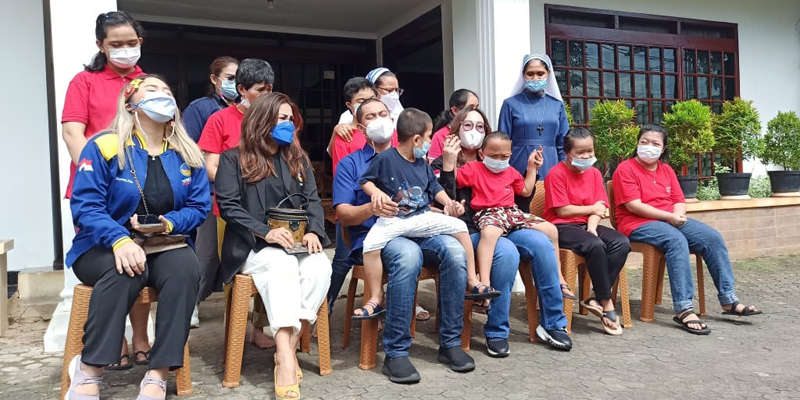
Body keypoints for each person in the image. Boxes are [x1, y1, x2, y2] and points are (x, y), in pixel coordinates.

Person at [64, 75, 210, 400]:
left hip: (163, 242)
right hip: (102, 245)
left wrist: (169, 223)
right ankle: (89, 368)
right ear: (130, 104)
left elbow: (199, 207)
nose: (162, 95)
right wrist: (119, 239)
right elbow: (86, 206)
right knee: (127, 269)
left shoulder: (188, 153)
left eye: (167, 91)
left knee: (186, 269)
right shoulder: (105, 146)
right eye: (152, 90)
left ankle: (158, 373)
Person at [334, 98, 475, 383]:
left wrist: (448, 206)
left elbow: (428, 193)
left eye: (383, 114)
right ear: (360, 127)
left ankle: (450, 343)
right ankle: (396, 352)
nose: (379, 120)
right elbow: (343, 214)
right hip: (381, 234)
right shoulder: (352, 164)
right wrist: (372, 207)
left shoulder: (418, 161)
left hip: (419, 227)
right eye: (370, 117)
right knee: (408, 255)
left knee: (453, 249)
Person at [215, 92, 331, 400]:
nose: (288, 124)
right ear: (261, 120)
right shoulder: (232, 158)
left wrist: (314, 232)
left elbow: (312, 201)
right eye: (281, 118)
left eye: (290, 119)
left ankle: (285, 351)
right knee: (282, 265)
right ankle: (286, 361)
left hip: (295, 243)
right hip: (252, 247)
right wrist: (265, 232)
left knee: (320, 266)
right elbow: (228, 206)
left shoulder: (297, 159)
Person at [433, 107, 573, 354]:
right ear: (455, 129)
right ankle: (497, 329)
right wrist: (448, 162)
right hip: (469, 230)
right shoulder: (447, 162)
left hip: (509, 220)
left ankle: (553, 323)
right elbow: (443, 196)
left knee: (542, 242)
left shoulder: (504, 166)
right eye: (467, 125)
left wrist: (531, 168)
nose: (473, 131)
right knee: (507, 253)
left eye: (479, 126)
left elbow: (522, 196)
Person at [61, 10, 149, 370]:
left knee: (142, 256)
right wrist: (99, 175)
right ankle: (117, 338)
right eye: (116, 44)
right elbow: (72, 132)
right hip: (96, 191)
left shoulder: (147, 83)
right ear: (101, 45)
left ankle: (142, 336)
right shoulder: (85, 82)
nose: (125, 49)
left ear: (140, 42)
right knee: (109, 260)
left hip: (140, 188)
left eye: (131, 42)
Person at [613, 124, 762, 335]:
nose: (649, 146)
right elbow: (633, 206)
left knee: (712, 238)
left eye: (655, 143)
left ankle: (728, 300)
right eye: (644, 142)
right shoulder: (625, 169)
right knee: (676, 240)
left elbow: (678, 199)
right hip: (637, 223)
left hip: (670, 220)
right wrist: (670, 217)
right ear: (637, 143)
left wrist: (678, 216)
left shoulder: (666, 170)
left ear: (663, 148)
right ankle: (684, 308)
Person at [354, 108, 477, 319]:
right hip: (393, 219)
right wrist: (377, 194)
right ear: (417, 140)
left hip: (421, 217)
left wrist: (449, 203)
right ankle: (376, 297)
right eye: (429, 137)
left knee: (460, 227)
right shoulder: (385, 159)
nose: (430, 142)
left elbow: (435, 188)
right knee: (371, 245)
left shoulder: (423, 164)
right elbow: (366, 181)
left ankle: (472, 280)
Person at [197, 58, 277, 348]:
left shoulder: (276, 120)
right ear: (241, 90)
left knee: (273, 268)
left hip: (270, 211)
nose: (265, 95)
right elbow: (210, 166)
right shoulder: (220, 120)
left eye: (269, 89)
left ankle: (259, 329)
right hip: (230, 211)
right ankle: (234, 332)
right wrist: (243, 185)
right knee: (234, 272)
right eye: (259, 90)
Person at [544, 127, 631, 335]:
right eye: (580, 152)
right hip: (562, 226)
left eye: (590, 151)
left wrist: (592, 226)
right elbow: (563, 210)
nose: (586, 156)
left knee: (621, 243)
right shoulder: (556, 174)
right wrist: (592, 210)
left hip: (587, 224)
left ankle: (594, 297)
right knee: (595, 245)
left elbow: (599, 207)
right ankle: (606, 303)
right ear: (568, 153)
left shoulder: (594, 173)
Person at [327, 79, 398, 316]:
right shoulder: (345, 136)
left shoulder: (393, 136)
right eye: (362, 102)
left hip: (393, 223)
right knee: (342, 259)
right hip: (355, 210)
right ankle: (325, 309)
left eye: (373, 99)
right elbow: (343, 178)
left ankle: (390, 307)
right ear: (351, 107)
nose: (377, 118)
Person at [452, 130, 544, 307]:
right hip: (488, 213)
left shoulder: (511, 171)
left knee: (550, 230)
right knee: (489, 234)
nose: (499, 160)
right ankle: (484, 284)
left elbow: (525, 190)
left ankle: (560, 279)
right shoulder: (474, 168)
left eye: (505, 156)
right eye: (494, 156)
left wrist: (532, 167)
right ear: (481, 154)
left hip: (511, 213)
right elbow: (455, 178)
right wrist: (449, 159)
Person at [181, 56, 239, 328]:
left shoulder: (245, 110)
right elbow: (188, 149)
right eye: (229, 78)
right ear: (215, 79)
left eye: (239, 78)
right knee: (207, 253)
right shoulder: (200, 108)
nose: (235, 83)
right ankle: (190, 303)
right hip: (211, 191)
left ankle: (238, 313)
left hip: (244, 194)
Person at [498, 54, 568, 185]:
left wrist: (565, 169)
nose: (535, 78)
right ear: (523, 75)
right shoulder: (510, 104)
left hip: (551, 162)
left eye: (540, 73)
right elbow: (502, 141)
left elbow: (564, 142)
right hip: (519, 162)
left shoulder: (557, 105)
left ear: (548, 74)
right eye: (530, 74)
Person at [327, 67, 405, 155]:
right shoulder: (347, 129)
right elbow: (334, 152)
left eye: (383, 114)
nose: (368, 104)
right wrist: (336, 131)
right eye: (389, 90)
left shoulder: (393, 131)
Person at [427, 89, 480, 162]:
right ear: (455, 110)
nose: (475, 112)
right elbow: (434, 167)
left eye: (477, 107)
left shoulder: (481, 132)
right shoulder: (440, 136)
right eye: (470, 108)